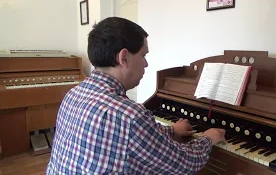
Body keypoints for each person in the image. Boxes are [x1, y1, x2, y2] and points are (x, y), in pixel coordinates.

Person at [46, 17, 226, 174]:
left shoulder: (74, 94)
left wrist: (171, 130)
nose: (146, 64)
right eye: (143, 55)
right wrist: (208, 138)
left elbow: (121, 135)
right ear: (124, 58)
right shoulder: (129, 115)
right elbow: (187, 163)